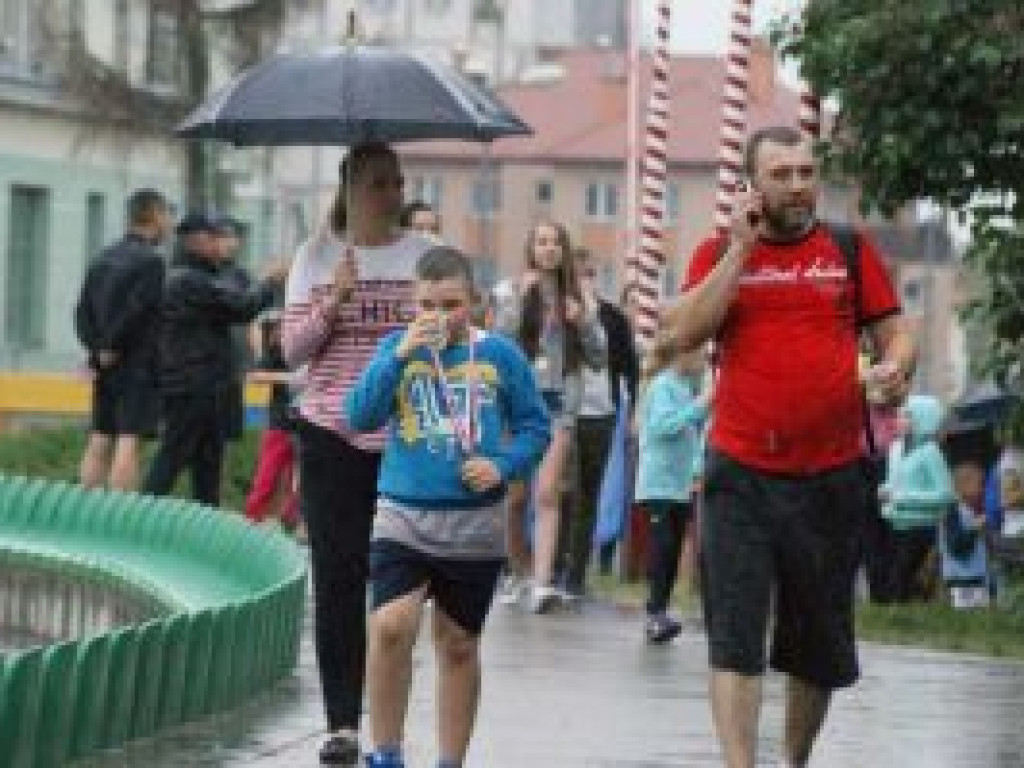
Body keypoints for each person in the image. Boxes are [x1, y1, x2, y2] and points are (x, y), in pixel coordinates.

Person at [669, 125, 915, 768]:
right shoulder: (718, 253)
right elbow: (682, 336)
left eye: (807, 173)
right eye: (782, 175)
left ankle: (792, 761)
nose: (799, 186)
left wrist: (895, 370)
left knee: (817, 648)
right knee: (736, 640)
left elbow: (897, 336)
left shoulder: (847, 249)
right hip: (740, 475)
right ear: (753, 185)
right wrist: (738, 255)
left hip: (832, 476)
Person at [346, 246, 550, 768]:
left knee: (458, 643)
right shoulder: (398, 348)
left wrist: (502, 465)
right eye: (427, 305)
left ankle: (449, 760)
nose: (438, 317)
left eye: (451, 304)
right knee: (391, 626)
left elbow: (534, 427)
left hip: (474, 521)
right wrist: (396, 358)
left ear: (475, 303)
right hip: (404, 514)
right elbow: (360, 415)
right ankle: (386, 752)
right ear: (412, 305)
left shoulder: (500, 355)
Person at [282, 142, 434, 766]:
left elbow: (453, 334)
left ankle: (387, 712)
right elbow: (291, 350)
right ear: (350, 188)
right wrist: (333, 301)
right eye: (379, 183)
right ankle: (343, 721)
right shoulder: (316, 257)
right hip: (330, 434)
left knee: (398, 586)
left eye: (398, 182)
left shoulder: (422, 256)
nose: (393, 193)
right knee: (338, 578)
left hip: (403, 439)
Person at [492, 220, 607, 613]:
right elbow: (497, 346)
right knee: (515, 497)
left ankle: (542, 583)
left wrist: (585, 321)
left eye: (555, 242)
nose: (548, 249)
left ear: (564, 250)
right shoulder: (510, 290)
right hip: (516, 403)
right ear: (531, 248)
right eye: (541, 241)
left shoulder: (579, 298)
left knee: (547, 493)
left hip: (560, 406)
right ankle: (517, 570)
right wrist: (514, 304)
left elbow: (598, 358)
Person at [144, 212, 282, 506]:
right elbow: (242, 307)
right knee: (173, 456)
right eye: (216, 237)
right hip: (191, 385)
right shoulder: (188, 280)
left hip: (207, 385)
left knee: (208, 462)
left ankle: (206, 523)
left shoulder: (199, 276)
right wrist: (269, 282)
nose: (223, 244)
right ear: (197, 241)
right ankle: (140, 520)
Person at [74, 188, 171, 491]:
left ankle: (87, 513)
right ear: (154, 215)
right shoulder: (152, 262)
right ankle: (122, 521)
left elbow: (82, 309)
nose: (169, 222)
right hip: (137, 363)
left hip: (104, 365)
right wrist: (112, 345)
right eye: (167, 214)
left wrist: (96, 349)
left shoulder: (102, 257)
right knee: (129, 439)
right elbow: (138, 309)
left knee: (100, 436)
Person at [558, 246, 639, 598]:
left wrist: (633, 408)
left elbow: (629, 366)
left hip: (601, 413)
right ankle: (553, 565)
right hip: (564, 414)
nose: (585, 282)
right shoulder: (555, 314)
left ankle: (576, 576)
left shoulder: (612, 316)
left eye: (590, 274)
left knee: (588, 494)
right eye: (578, 275)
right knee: (563, 491)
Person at [634, 327, 707, 643]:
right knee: (663, 547)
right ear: (683, 354)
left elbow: (694, 433)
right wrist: (699, 406)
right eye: (699, 353)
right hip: (659, 483)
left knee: (674, 546)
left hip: (678, 483)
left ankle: (661, 609)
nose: (704, 360)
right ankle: (655, 612)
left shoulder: (687, 386)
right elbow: (664, 426)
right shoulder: (664, 386)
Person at [879, 394, 953, 602]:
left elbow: (945, 495)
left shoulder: (930, 452)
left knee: (901, 578)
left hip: (920, 527)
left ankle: (903, 621)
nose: (899, 421)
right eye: (900, 416)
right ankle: (896, 621)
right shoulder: (895, 449)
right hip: (894, 523)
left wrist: (902, 497)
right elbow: (895, 484)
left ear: (923, 418)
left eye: (907, 416)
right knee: (890, 578)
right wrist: (885, 490)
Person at [244, 305, 301, 532]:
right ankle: (252, 520)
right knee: (267, 478)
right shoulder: (269, 356)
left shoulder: (298, 352)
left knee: (296, 480)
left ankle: (290, 518)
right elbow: (255, 379)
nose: (279, 333)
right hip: (279, 427)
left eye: (282, 328)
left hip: (301, 427)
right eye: (274, 329)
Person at [939, 459, 990, 609]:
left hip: (976, 577)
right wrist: (975, 528)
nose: (983, 490)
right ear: (964, 486)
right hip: (961, 580)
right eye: (980, 484)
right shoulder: (953, 513)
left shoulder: (970, 512)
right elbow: (956, 546)